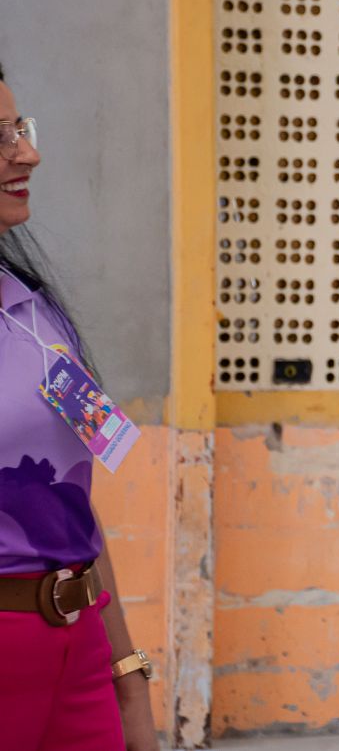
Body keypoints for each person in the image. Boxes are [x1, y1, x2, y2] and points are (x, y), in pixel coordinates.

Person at [0, 62, 158, 750]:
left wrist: (127, 678)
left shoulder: (33, 310)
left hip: (81, 648)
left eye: (20, 129)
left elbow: (74, 504)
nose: (28, 153)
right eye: (0, 138)